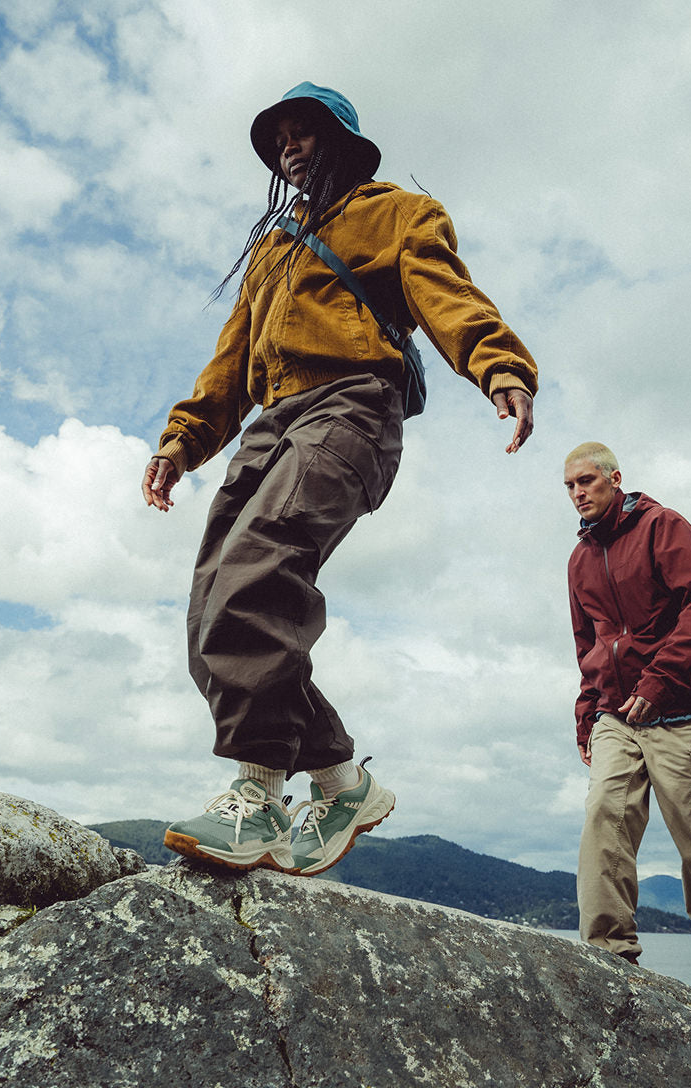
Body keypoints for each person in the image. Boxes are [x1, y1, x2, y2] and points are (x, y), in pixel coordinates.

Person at [141, 82, 538, 877]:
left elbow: (446, 296)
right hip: (272, 423)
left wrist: (500, 368)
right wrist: (182, 441)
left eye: (305, 132)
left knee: (258, 572)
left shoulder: (396, 214)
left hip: (353, 407)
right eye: (280, 137)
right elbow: (229, 364)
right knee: (213, 608)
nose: (290, 146)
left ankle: (258, 796)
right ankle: (339, 780)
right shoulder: (271, 249)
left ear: (345, 142)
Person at [563, 441, 691, 1015]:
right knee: (604, 816)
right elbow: (589, 645)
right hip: (615, 713)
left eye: (586, 481)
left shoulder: (664, 527)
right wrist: (587, 711)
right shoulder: (579, 560)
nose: (578, 493)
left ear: (614, 479)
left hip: (685, 710)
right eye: (569, 486)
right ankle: (611, 960)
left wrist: (656, 684)